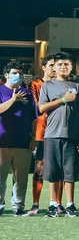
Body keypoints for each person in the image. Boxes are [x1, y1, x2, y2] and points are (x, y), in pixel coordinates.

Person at [37, 53, 79, 217]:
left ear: (72, 67)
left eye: (67, 64)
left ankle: (70, 204)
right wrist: (63, 100)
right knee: (52, 172)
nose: (63, 67)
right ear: (54, 67)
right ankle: (52, 204)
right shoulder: (47, 86)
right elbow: (42, 108)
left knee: (70, 172)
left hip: (72, 136)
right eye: (60, 64)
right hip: (52, 134)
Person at [0, 61, 36, 215]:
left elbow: (33, 118)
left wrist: (33, 137)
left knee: (21, 178)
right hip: (3, 142)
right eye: (14, 73)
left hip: (23, 142)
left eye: (20, 73)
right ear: (7, 75)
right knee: (1, 178)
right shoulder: (1, 91)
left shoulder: (28, 94)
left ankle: (18, 207)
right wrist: (13, 99)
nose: (18, 76)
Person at [29, 56, 56, 213]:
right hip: (41, 132)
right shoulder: (35, 85)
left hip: (58, 131)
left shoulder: (61, 85)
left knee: (57, 169)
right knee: (39, 168)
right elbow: (37, 107)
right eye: (51, 65)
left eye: (56, 65)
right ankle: (35, 204)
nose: (54, 68)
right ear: (44, 67)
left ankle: (57, 204)